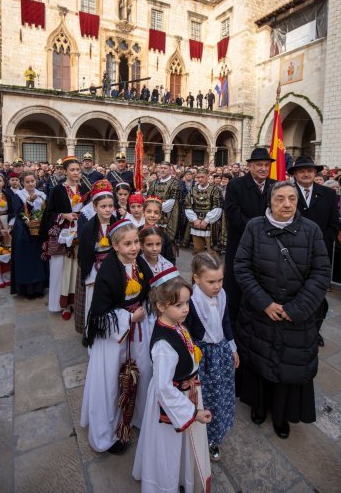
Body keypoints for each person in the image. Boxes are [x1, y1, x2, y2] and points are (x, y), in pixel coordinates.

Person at [234, 181, 331, 439]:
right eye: (279, 199)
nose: (286, 204)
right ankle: (258, 406)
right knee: (259, 359)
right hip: (260, 313)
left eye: (291, 198)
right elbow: (242, 267)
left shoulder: (311, 230)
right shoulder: (254, 227)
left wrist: (296, 308)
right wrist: (264, 303)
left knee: (288, 366)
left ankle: (281, 416)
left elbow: (321, 272)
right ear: (269, 201)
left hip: (296, 317)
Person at [133, 267, 212, 492]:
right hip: (173, 401)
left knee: (180, 448)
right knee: (168, 448)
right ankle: (165, 483)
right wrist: (193, 413)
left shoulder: (175, 324)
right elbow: (164, 389)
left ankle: (180, 476)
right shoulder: (163, 346)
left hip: (186, 393)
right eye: (178, 305)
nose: (185, 309)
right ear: (161, 306)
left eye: (187, 303)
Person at [80, 219, 153, 454]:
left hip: (138, 333)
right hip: (114, 339)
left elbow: (149, 288)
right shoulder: (108, 272)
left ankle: (134, 418)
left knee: (141, 374)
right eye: (127, 244)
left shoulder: (138, 263)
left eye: (136, 243)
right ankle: (108, 433)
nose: (134, 248)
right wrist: (129, 319)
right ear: (115, 246)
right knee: (113, 382)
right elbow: (100, 316)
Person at [186, 253, 238, 461]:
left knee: (221, 397)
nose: (217, 286)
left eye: (220, 280)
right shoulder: (190, 301)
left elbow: (226, 323)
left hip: (221, 354)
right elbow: (187, 331)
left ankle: (214, 438)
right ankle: (197, 437)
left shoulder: (222, 295)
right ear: (196, 279)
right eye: (211, 282)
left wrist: (233, 348)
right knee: (202, 398)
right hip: (202, 356)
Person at [289, 156, 339, 346]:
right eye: (301, 170)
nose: (307, 173)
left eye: (310, 170)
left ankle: (314, 331)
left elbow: (333, 225)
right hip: (292, 255)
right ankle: (294, 329)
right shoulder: (287, 192)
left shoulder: (328, 194)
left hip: (319, 255)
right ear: (294, 174)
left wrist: (320, 245)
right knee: (295, 293)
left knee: (317, 297)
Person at [224, 148, 276, 329]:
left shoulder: (274, 186)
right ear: (250, 166)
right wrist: (258, 229)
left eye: (266, 165)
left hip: (268, 246)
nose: (263, 168)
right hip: (240, 244)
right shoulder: (236, 185)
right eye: (259, 165)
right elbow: (233, 215)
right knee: (236, 284)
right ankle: (232, 325)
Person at [40, 157, 82, 319]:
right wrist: (64, 215)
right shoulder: (58, 190)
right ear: (65, 172)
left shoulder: (84, 188)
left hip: (79, 234)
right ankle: (62, 304)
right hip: (63, 235)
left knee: (76, 270)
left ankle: (75, 302)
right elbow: (49, 213)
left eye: (78, 169)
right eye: (72, 170)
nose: (76, 172)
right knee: (61, 269)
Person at [77, 181, 116, 329]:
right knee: (94, 300)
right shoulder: (88, 228)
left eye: (110, 206)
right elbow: (85, 252)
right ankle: (93, 330)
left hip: (112, 267)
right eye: (103, 206)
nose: (108, 210)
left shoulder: (116, 223)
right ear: (95, 207)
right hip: (94, 268)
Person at [11, 171, 47, 299]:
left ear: (36, 181)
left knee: (38, 260)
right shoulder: (18, 195)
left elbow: (45, 210)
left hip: (38, 231)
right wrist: (30, 203)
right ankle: (27, 290)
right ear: (22, 183)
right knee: (25, 260)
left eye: (32, 181)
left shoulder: (42, 194)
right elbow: (19, 212)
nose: (30, 184)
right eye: (27, 182)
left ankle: (39, 288)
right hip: (23, 232)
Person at [184, 168, 223, 254]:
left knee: (212, 252)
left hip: (210, 225)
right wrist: (195, 219)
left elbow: (218, 206)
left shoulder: (215, 190)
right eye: (198, 177)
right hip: (196, 223)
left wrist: (206, 220)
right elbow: (188, 205)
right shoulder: (193, 189)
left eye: (202, 177)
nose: (200, 179)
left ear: (207, 177)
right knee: (198, 251)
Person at [148, 161, 181, 244]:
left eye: (165, 168)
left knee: (167, 241)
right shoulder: (154, 182)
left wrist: (156, 207)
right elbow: (149, 198)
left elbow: (172, 202)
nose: (162, 170)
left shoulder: (175, 183)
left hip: (169, 215)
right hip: (155, 214)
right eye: (161, 168)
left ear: (170, 170)